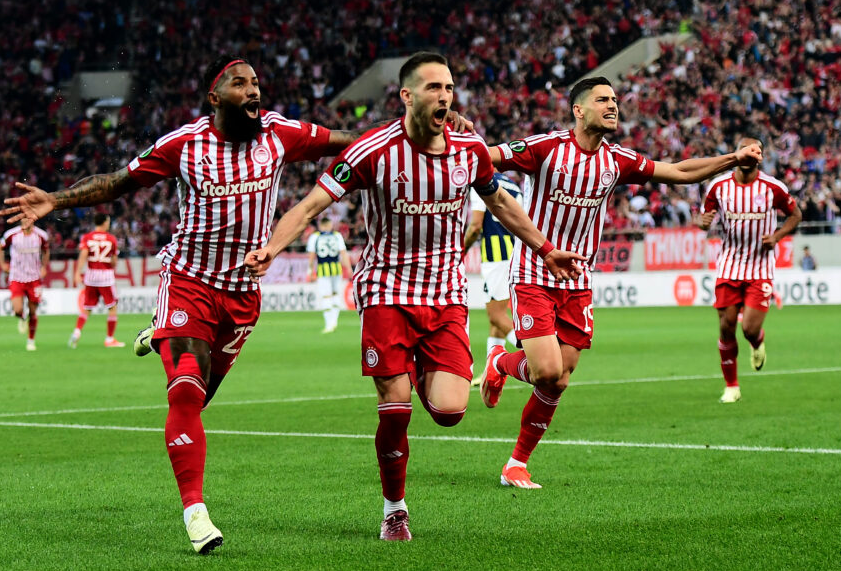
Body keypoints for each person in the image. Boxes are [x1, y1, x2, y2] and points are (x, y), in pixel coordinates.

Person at [0, 55, 377, 555]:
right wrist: (57, 199)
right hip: (188, 283)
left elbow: (355, 141)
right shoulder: (184, 144)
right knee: (183, 394)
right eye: (239, 83)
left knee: (198, 400)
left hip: (242, 295)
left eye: (256, 83)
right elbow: (118, 181)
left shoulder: (280, 134)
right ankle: (195, 512)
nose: (253, 90)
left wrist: (416, 132)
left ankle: (159, 334)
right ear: (214, 98)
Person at [244, 52, 585, 541]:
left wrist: (545, 249)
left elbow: (502, 204)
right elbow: (311, 205)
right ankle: (394, 509)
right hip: (386, 292)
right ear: (406, 95)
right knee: (396, 405)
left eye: (449, 88)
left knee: (449, 411)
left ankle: (424, 369)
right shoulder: (372, 150)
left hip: (445, 296)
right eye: (433, 88)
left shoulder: (469, 149)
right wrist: (272, 248)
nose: (444, 96)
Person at [479, 76, 764, 489]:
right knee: (546, 370)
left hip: (578, 280)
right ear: (578, 110)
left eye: (614, 99)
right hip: (534, 273)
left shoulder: (616, 160)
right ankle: (500, 362)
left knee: (560, 379)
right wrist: (456, 141)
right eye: (602, 100)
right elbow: (485, 157)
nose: (613, 105)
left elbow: (679, 172)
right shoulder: (545, 148)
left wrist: (732, 158)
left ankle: (515, 464)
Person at [697, 137, 802, 403]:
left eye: (755, 152)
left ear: (760, 157)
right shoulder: (718, 186)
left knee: (749, 329)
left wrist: (777, 237)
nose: (749, 156)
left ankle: (757, 342)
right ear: (736, 154)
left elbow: (796, 215)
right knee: (726, 327)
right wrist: (702, 222)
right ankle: (732, 386)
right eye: (744, 151)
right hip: (729, 266)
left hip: (760, 268)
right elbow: (703, 217)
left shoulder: (773, 187)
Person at [463, 171, 522, 385]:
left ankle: (533, 354)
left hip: (496, 255)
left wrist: (459, 252)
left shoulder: (482, 182)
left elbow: (475, 226)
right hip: (516, 252)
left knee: (496, 316)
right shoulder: (513, 185)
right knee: (497, 317)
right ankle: (491, 370)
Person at [69, 213, 126, 348]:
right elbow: (114, 261)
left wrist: (77, 272)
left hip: (91, 277)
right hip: (106, 277)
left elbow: (83, 255)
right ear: (105, 222)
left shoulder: (87, 237)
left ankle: (77, 332)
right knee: (112, 307)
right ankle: (109, 339)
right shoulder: (111, 239)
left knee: (87, 308)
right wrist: (110, 262)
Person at [0, 224, 49, 351]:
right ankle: (22, 317)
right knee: (17, 309)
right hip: (17, 277)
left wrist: (43, 266)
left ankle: (31, 341)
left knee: (33, 312)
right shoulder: (12, 234)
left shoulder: (41, 235)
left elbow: (46, 251)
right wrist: (2, 265)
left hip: (34, 278)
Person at [306, 216, 353, 334]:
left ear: (321, 225)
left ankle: (329, 324)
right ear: (329, 225)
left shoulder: (315, 237)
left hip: (323, 269)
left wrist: (310, 271)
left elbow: (311, 256)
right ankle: (334, 321)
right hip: (336, 269)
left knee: (326, 296)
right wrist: (349, 269)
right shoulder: (337, 235)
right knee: (336, 294)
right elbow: (343, 253)